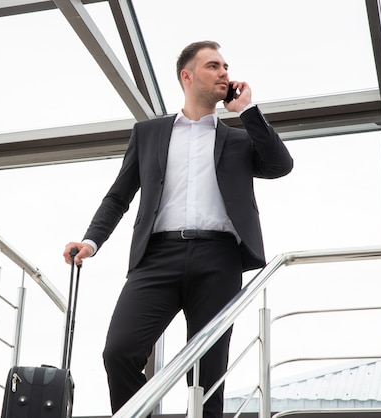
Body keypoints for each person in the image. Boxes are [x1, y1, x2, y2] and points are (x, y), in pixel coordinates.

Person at [63, 40, 293, 418]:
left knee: (208, 370)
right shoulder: (149, 133)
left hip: (219, 259)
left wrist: (248, 111)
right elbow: (118, 196)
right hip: (156, 258)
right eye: (213, 66)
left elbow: (279, 165)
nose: (224, 73)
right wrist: (91, 240)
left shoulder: (238, 138)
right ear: (187, 76)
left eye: (225, 66)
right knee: (119, 351)